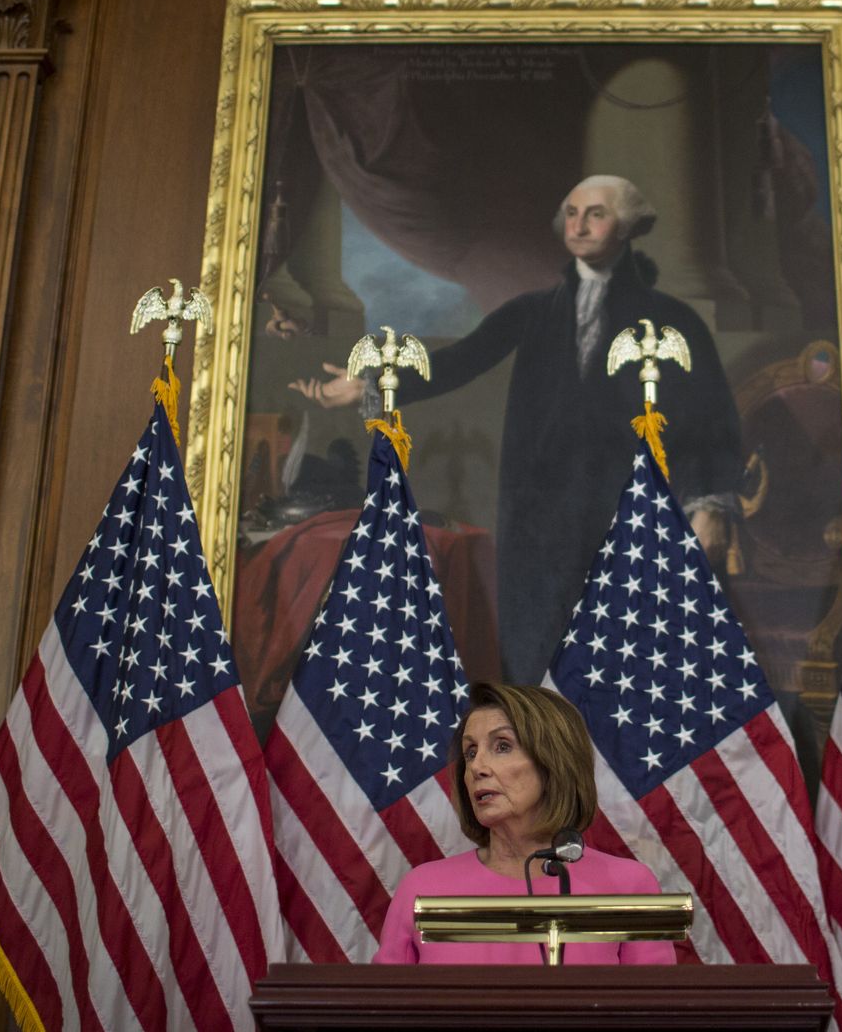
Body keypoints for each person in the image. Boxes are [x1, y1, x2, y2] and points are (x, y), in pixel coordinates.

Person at [293, 176, 744, 683]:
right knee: (538, 662)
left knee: (630, 666)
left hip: (631, 519)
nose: (580, 224)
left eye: (596, 213)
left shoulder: (671, 320)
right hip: (541, 521)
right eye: (572, 213)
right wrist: (371, 384)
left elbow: (710, 420)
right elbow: (460, 361)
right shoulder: (534, 312)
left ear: (629, 225)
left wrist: (707, 506)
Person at [373, 683, 676, 964]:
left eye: (502, 746)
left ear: (554, 762)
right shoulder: (423, 888)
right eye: (470, 752)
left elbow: (656, 1013)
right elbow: (383, 1013)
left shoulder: (627, 886)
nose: (477, 767)